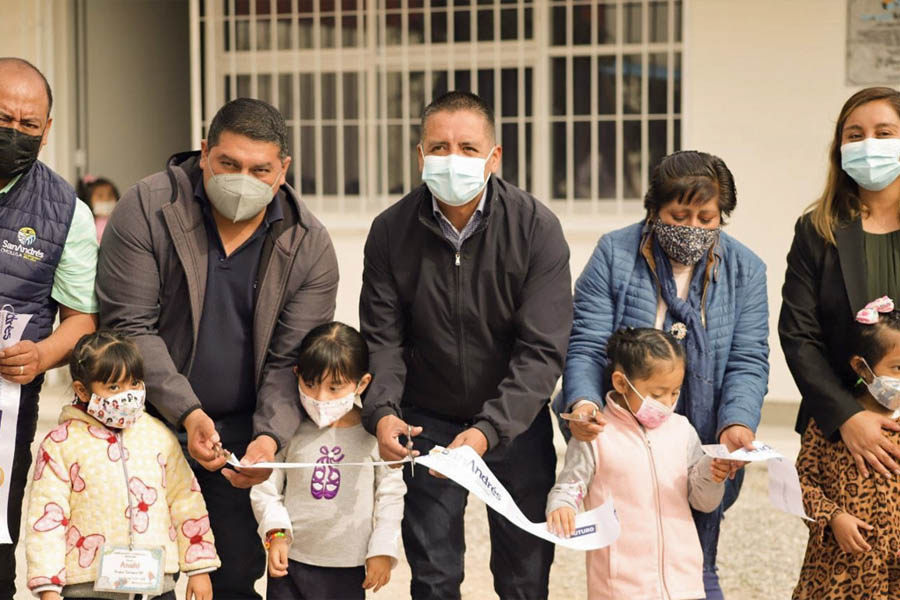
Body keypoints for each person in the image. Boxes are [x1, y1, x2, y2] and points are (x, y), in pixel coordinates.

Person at [95, 97, 339, 599]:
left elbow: (291, 361)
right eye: (229, 163)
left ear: (283, 170)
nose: (242, 178)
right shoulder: (147, 208)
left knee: (230, 578)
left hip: (239, 444)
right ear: (204, 152)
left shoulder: (308, 244)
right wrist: (187, 412)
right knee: (136, 579)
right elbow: (130, 326)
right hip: (140, 431)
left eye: (259, 169)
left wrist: (268, 439)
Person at [359, 91, 573, 599]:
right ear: (419, 156)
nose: (452, 159)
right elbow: (383, 341)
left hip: (513, 422)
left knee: (524, 577)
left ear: (494, 157)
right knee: (434, 576)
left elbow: (542, 351)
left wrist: (487, 431)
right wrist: (383, 414)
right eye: (439, 147)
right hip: (425, 421)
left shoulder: (536, 229)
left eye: (468, 148)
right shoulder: (390, 231)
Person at [556, 150, 769, 598]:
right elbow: (589, 344)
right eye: (680, 214)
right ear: (654, 210)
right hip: (626, 429)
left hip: (704, 425)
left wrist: (736, 424)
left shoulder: (745, 269)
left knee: (694, 548)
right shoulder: (615, 253)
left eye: (707, 218)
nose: (693, 227)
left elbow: (748, 359)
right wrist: (583, 403)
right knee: (633, 542)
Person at [0, 57, 98, 598]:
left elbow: (81, 318)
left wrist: (41, 355)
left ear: (46, 130)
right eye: (2, 119)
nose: (13, 132)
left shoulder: (68, 212)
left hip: (5, 414)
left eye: (27, 125)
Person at [24, 330, 219, 600]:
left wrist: (199, 569)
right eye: (114, 387)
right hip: (87, 589)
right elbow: (47, 519)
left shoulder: (159, 436)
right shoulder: (60, 445)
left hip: (156, 587)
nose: (127, 395)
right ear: (83, 390)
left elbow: (186, 500)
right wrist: (48, 587)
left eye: (135, 383)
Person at [547, 327, 730, 600]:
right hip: (621, 587)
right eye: (657, 394)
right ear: (621, 383)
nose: (667, 403)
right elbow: (570, 484)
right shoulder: (596, 434)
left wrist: (712, 474)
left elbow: (703, 501)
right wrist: (562, 506)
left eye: (674, 393)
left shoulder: (682, 430)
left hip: (684, 584)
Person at [780, 87, 900, 482]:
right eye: (855, 135)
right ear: (839, 148)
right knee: (852, 542)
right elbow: (799, 335)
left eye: (884, 133)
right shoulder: (818, 229)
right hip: (843, 435)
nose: (869, 144)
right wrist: (849, 418)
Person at [250, 322, 405, 600]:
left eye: (335, 388)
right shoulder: (287, 430)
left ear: (362, 383)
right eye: (309, 385)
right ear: (296, 374)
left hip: (348, 569)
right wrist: (276, 533)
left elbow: (390, 496)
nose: (320, 398)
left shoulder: (374, 437)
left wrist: (382, 549)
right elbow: (266, 487)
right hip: (291, 564)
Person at [793, 300, 900, 599]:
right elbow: (802, 484)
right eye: (898, 368)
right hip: (836, 573)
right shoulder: (831, 422)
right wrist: (833, 518)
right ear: (861, 367)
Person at [76, 174, 119, 240]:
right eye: (100, 196)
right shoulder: (86, 224)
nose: (106, 199)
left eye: (110, 195)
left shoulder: (118, 222)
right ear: (88, 199)